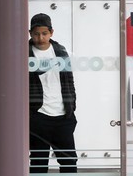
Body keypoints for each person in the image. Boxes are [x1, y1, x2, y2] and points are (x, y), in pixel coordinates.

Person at [29, 13, 77, 173]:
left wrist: (71, 107)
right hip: (38, 116)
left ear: (51, 33)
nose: (40, 37)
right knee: (38, 163)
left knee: (69, 163)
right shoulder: (23, 54)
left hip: (63, 116)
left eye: (44, 33)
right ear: (30, 33)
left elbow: (69, 82)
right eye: (36, 34)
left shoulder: (63, 53)